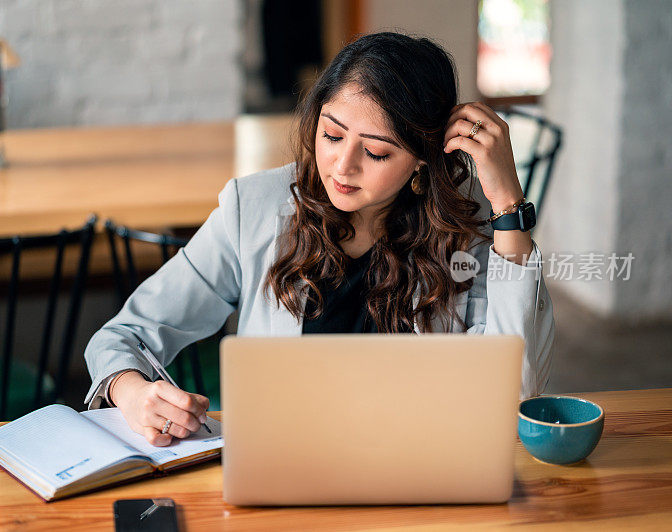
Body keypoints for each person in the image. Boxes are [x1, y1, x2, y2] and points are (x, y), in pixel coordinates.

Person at [84, 32, 554, 447]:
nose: (342, 166)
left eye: (375, 151)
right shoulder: (254, 209)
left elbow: (515, 392)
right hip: (286, 464)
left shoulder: (457, 234)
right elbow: (125, 335)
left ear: (422, 160)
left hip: (414, 463)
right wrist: (132, 391)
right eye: (331, 135)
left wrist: (509, 206)